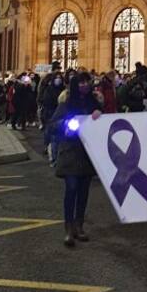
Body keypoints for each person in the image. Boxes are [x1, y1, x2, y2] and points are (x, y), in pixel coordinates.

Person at [54, 71, 101, 247]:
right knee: (71, 188)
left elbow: (104, 123)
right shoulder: (66, 103)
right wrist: (64, 127)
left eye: (86, 82)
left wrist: (99, 113)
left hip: (87, 154)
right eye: (80, 83)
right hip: (70, 152)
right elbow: (52, 124)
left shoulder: (93, 103)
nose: (84, 85)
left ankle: (79, 226)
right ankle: (68, 227)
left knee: (83, 192)